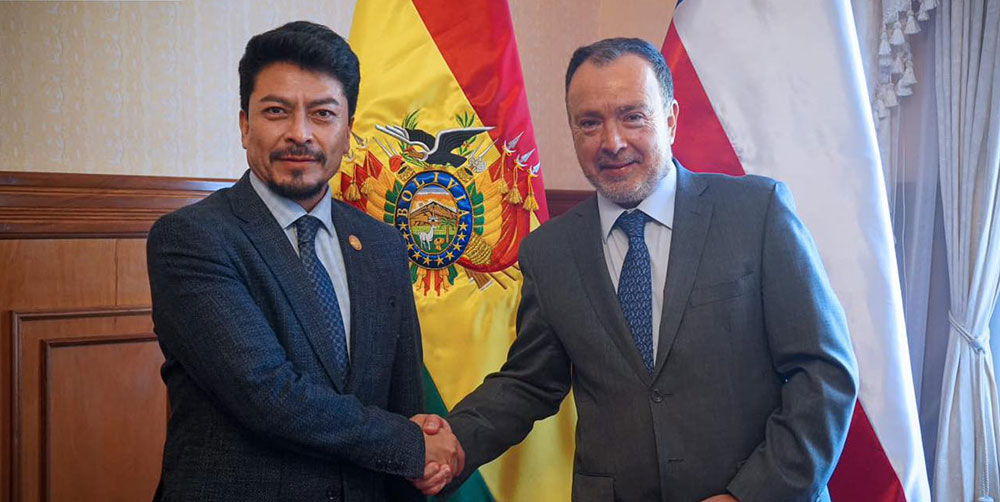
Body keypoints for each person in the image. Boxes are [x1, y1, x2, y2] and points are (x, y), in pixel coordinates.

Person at [414, 38, 859, 502]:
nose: (612, 142)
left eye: (633, 115)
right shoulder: (550, 251)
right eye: (590, 123)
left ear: (669, 118)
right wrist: (456, 441)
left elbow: (823, 373)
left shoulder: (756, 212)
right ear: (572, 129)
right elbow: (531, 381)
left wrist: (747, 495)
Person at [147, 21, 461, 502]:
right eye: (276, 112)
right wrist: (411, 445)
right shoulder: (192, 239)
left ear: (348, 129)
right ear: (244, 125)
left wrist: (418, 458)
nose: (300, 134)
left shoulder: (382, 245)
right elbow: (267, 395)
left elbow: (403, 400)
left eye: (322, 114)